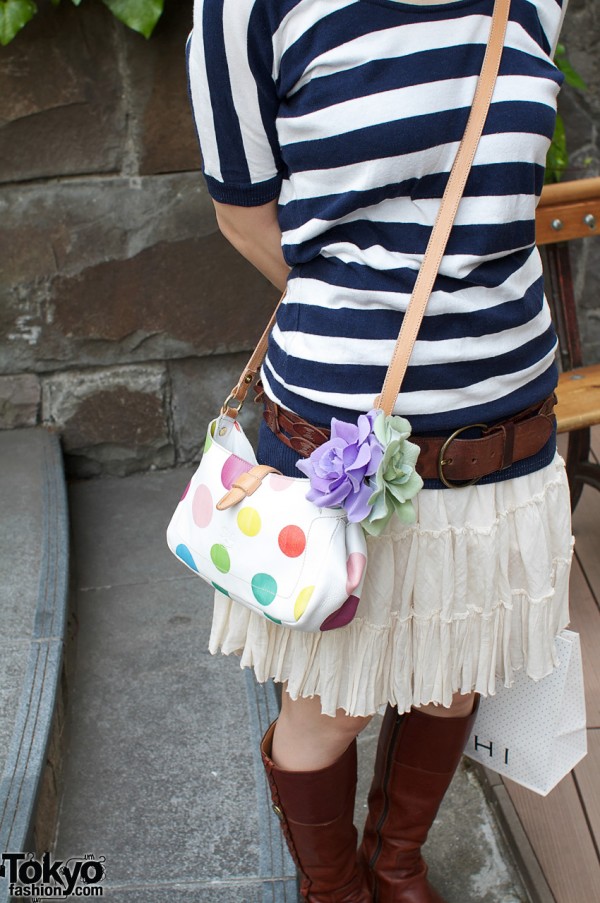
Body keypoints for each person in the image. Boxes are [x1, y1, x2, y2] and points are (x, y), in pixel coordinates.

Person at [186, 0, 572, 900]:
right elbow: (243, 214)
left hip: (508, 426)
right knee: (332, 705)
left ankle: (398, 868)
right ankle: (334, 889)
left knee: (452, 680)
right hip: (340, 443)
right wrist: (364, 307)